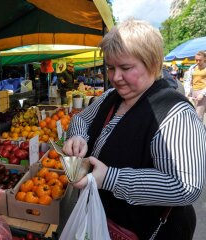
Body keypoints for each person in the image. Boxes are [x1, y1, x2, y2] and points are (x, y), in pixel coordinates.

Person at [62, 19, 206, 239]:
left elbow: (185, 186)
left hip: (146, 231)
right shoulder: (111, 97)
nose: (115, 77)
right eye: (110, 68)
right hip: (103, 221)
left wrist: (109, 178)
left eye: (126, 68)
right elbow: (81, 120)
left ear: (151, 63)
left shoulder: (175, 114)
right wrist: (79, 137)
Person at [184, 51, 206, 121]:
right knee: (195, 112)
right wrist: (187, 91)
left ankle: (199, 130)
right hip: (194, 92)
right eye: (196, 60)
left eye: (200, 60)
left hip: (202, 92)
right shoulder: (192, 68)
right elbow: (188, 80)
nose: (198, 62)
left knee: (198, 115)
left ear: (205, 58)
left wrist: (203, 94)